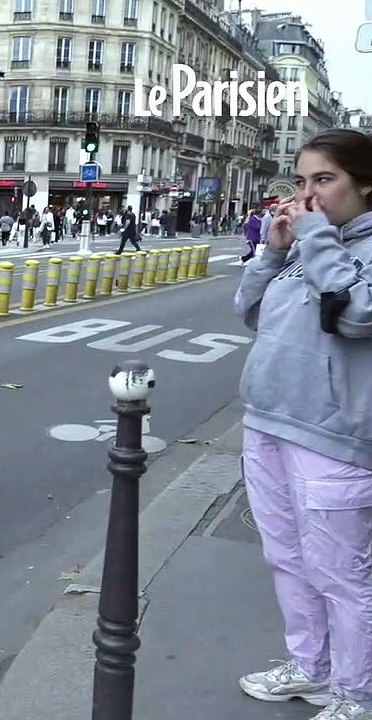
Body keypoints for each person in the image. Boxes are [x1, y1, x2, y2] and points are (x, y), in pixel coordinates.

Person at [233, 128, 372, 720]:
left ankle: (356, 692)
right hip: (269, 422)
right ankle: (312, 668)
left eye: (325, 180)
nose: (308, 195)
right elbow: (251, 313)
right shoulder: (310, 246)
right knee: (286, 557)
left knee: (341, 575)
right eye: (302, 181)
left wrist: (314, 238)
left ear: (365, 185)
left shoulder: (349, 249)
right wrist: (272, 252)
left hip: (333, 436)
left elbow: (356, 315)